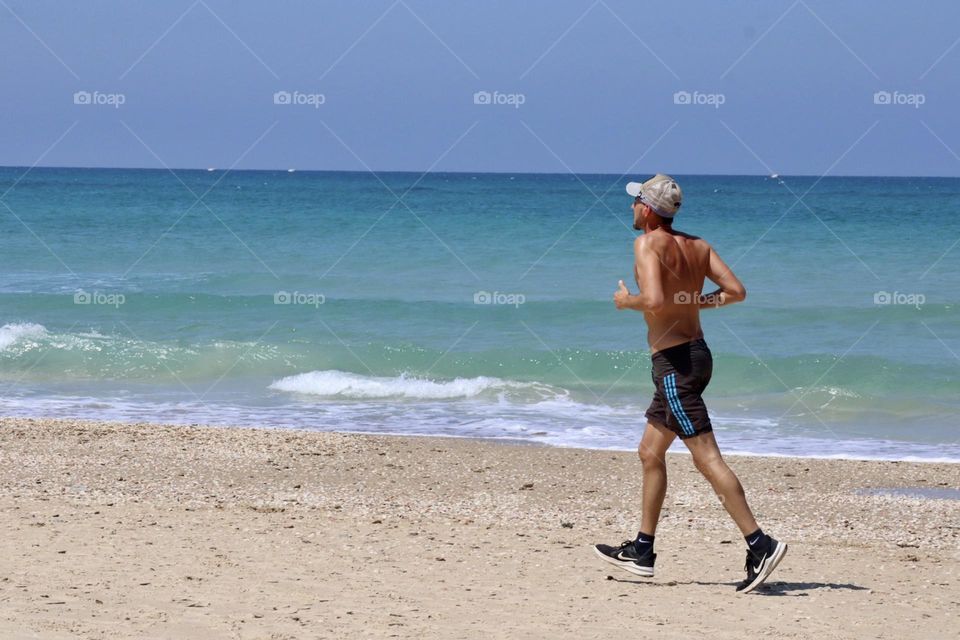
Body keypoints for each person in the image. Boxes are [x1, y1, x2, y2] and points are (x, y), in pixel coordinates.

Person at [593, 174, 786, 594]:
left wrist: (628, 302)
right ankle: (643, 550)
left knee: (706, 458)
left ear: (647, 208)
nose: (631, 208)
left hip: (675, 366)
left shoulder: (647, 243)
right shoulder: (698, 245)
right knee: (650, 452)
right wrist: (694, 301)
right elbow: (736, 292)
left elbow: (657, 301)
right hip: (696, 355)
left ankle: (761, 544)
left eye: (635, 202)